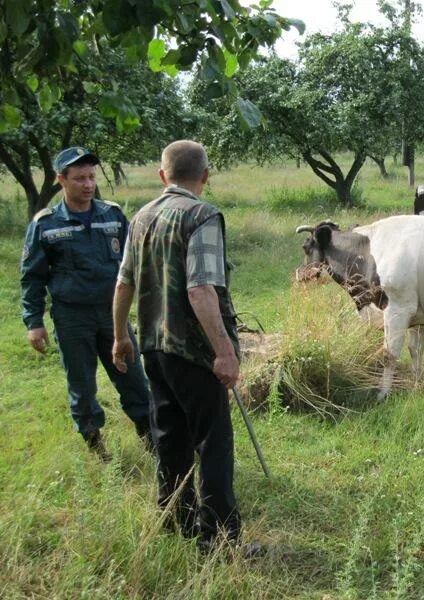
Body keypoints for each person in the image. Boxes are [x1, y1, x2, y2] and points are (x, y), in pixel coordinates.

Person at [112, 140, 253, 553]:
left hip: (154, 348)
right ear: (205, 177)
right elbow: (200, 289)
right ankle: (221, 540)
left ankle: (177, 520)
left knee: (170, 436)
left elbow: (124, 283)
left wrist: (122, 336)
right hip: (193, 352)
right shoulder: (202, 215)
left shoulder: (141, 216)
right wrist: (224, 351)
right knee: (213, 441)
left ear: (163, 176)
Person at [20, 146, 152, 461]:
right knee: (82, 387)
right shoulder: (46, 224)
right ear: (61, 180)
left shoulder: (112, 215)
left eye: (92, 177)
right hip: (72, 318)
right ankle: (97, 449)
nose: (88, 184)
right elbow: (32, 276)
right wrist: (34, 322)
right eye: (80, 178)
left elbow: (135, 263)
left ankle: (151, 438)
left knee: (134, 377)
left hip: (113, 314)